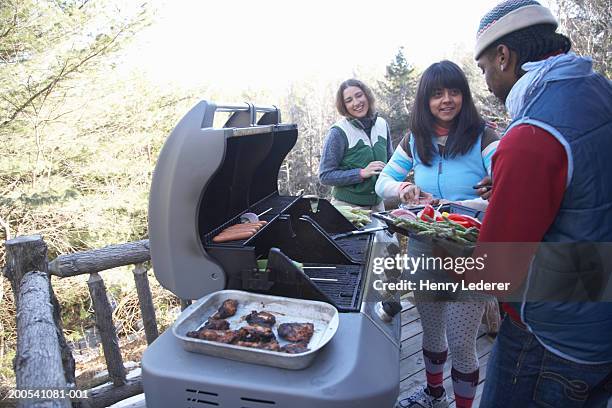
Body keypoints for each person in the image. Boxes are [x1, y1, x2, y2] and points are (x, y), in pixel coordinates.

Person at [471, 0, 612, 406]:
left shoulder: (532, 135)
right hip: (598, 326)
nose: (486, 83)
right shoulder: (597, 89)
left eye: (483, 70)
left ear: (504, 56)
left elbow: (493, 271)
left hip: (550, 341)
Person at [375, 60, 499, 408]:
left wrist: (459, 202)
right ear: (424, 100)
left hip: (472, 252)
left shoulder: (483, 135)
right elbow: (382, 182)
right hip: (424, 246)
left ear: (465, 96)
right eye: (437, 94)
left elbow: (508, 184)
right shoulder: (416, 139)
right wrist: (401, 188)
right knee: (431, 331)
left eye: (455, 91)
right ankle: (433, 394)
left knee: (461, 342)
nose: (447, 100)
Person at [319, 79, 393, 211]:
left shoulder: (382, 124)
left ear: (367, 95)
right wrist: (361, 173)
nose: (356, 103)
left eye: (359, 95)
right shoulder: (338, 132)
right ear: (344, 106)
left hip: (378, 206)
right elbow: (325, 175)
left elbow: (391, 163)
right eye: (349, 100)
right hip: (347, 208)